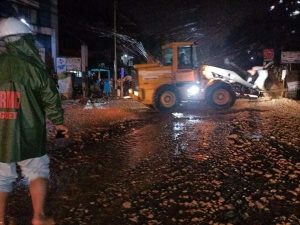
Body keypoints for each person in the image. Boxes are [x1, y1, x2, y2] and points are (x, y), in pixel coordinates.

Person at [0, 17, 68, 225]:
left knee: (1, 177)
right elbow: (50, 97)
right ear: (26, 39)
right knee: (37, 170)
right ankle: (38, 217)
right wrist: (59, 123)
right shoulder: (34, 67)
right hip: (30, 131)